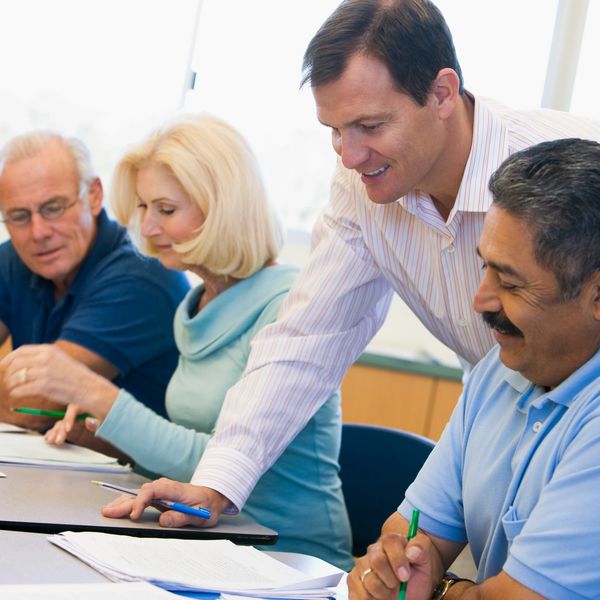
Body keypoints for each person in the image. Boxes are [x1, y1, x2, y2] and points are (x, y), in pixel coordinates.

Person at [74, 0, 600, 531]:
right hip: (503, 425)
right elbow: (307, 338)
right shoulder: (361, 188)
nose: (349, 155)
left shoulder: (568, 161)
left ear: (442, 92)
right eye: (335, 130)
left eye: (370, 125)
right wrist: (216, 483)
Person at [1, 115, 354, 570]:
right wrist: (100, 430)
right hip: (198, 539)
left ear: (222, 208)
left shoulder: (290, 305)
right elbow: (184, 450)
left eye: (164, 210)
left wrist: (96, 395)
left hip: (281, 556)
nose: (145, 228)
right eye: (144, 209)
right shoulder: (197, 304)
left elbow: (223, 463)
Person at [348, 138, 600, 599]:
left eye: (509, 281)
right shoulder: (501, 369)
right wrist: (390, 570)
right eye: (484, 268)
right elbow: (408, 535)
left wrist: (442, 590)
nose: (480, 300)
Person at [0, 131, 189, 433]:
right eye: (19, 216)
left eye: (53, 208)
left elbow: (36, 403)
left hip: (134, 476)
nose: (38, 232)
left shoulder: (141, 273)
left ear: (94, 195)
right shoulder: (14, 258)